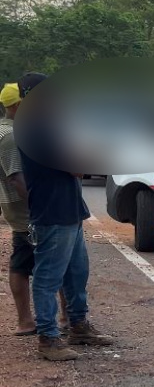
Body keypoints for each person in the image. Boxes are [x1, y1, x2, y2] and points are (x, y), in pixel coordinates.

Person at [17, 72, 114, 361]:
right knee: (48, 278)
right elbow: (78, 167)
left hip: (67, 209)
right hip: (53, 212)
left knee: (76, 274)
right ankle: (48, 338)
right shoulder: (39, 129)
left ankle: (78, 325)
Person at [0, 82, 36, 335]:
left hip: (16, 208)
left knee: (22, 262)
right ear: (15, 107)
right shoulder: (11, 136)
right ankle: (27, 321)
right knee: (36, 264)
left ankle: (27, 321)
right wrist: (41, 204)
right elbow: (16, 177)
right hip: (25, 211)